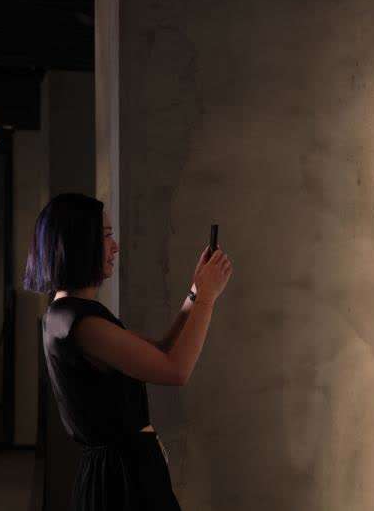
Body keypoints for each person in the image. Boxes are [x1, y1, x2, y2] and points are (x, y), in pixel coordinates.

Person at [23, 193, 232, 510]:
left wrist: (196, 291)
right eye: (106, 236)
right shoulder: (80, 322)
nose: (115, 246)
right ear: (81, 243)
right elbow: (176, 369)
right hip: (122, 479)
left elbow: (160, 350)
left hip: (121, 471)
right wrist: (207, 298)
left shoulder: (67, 313)